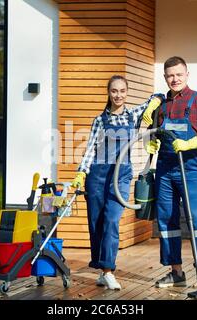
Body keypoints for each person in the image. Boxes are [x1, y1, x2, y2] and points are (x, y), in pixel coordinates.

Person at [71, 75, 162, 290]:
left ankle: (109, 270)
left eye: (122, 91)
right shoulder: (100, 120)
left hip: (121, 176)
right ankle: (103, 270)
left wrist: (151, 108)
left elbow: (156, 96)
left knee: (112, 220)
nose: (118, 95)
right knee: (97, 223)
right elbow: (91, 149)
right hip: (98, 176)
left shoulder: (133, 114)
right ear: (108, 93)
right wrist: (81, 173)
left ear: (127, 92)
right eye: (114, 91)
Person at [142, 56, 197, 293]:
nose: (174, 79)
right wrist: (151, 142)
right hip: (166, 170)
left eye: (179, 74)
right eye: (170, 75)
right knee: (167, 220)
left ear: (187, 74)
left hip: (190, 168)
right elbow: (152, 132)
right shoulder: (160, 105)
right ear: (165, 77)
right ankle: (176, 272)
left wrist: (193, 143)